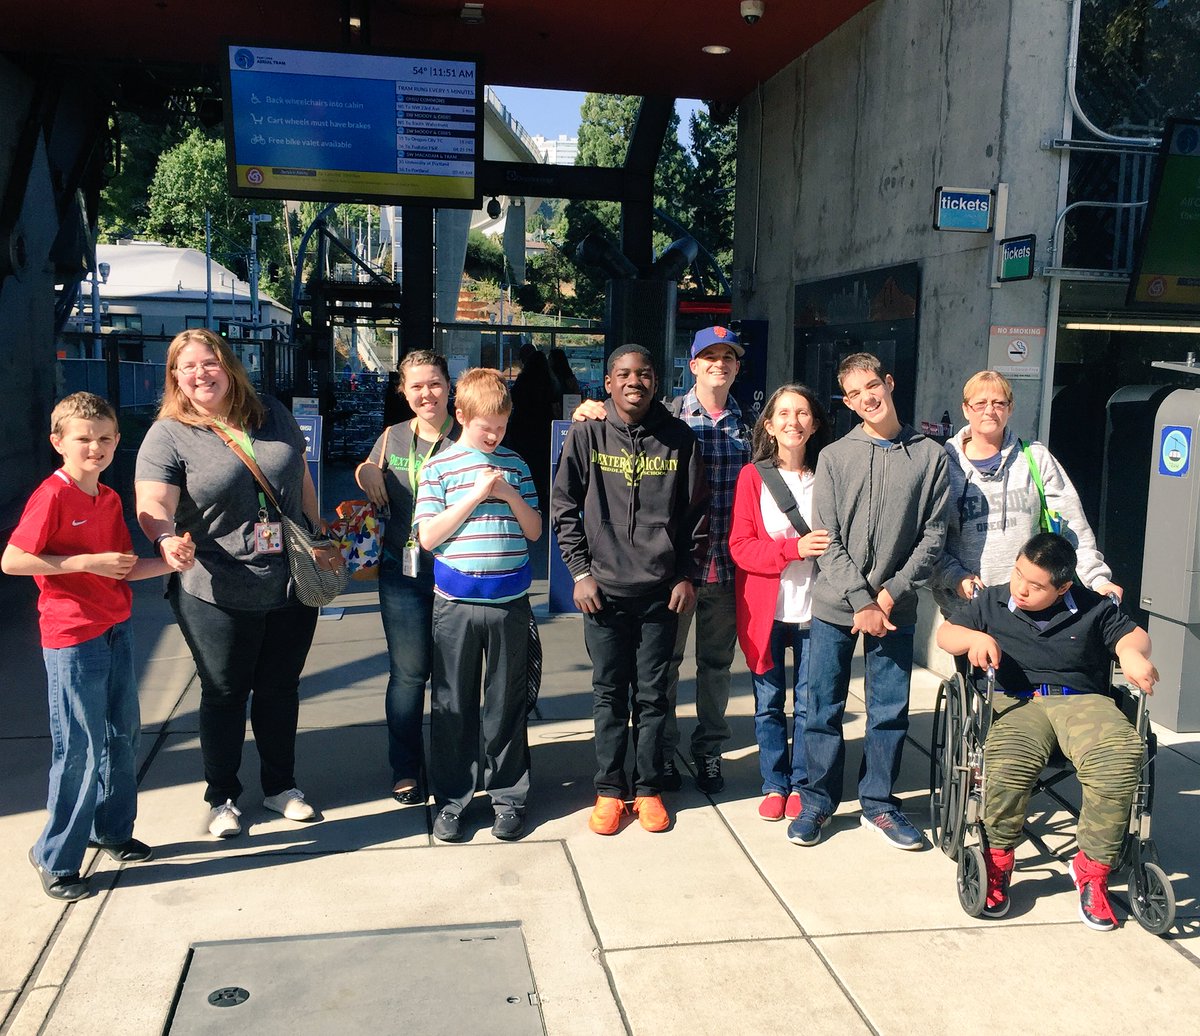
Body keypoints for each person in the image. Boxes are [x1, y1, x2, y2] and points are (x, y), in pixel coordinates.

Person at [135, 329, 341, 839]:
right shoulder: (169, 434)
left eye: (209, 363)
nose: (200, 374)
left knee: (279, 689)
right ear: (175, 377)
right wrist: (165, 539)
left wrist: (317, 537)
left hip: (290, 581)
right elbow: (153, 504)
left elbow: (302, 481)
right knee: (224, 692)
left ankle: (281, 787)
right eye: (187, 367)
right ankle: (222, 795)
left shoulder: (270, 411)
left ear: (229, 366)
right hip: (215, 587)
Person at [4, 393, 182, 900]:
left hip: (116, 627)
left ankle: (112, 829)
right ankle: (56, 855)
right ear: (58, 442)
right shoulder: (53, 495)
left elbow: (123, 565)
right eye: (84, 439)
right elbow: (14, 560)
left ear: (117, 441)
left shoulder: (106, 497)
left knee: (121, 734)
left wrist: (173, 561)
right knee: (79, 746)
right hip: (72, 638)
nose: (95, 448)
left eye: (105, 438)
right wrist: (83, 564)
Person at [936, 532, 1157, 931]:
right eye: (1018, 573)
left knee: (1119, 758)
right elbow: (946, 634)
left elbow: (1135, 635)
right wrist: (975, 636)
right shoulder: (992, 599)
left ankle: (1092, 871)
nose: (1020, 587)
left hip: (1082, 701)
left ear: (1064, 587)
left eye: (1035, 585)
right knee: (1007, 764)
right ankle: (999, 859)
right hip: (1015, 701)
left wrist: (1128, 653)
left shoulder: (1092, 606)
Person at [572, 325, 750, 794]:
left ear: (736, 366)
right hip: (673, 573)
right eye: (709, 356)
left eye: (727, 357)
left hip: (727, 568)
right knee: (662, 670)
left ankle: (708, 752)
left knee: (716, 668)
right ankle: (662, 756)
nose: (719, 364)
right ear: (692, 365)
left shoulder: (754, 425)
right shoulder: (666, 416)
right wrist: (590, 409)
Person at [790, 352, 949, 850]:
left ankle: (879, 803)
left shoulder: (930, 456)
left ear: (890, 381)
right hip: (837, 606)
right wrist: (862, 600)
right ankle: (817, 800)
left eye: (871, 386)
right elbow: (827, 537)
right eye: (854, 394)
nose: (866, 399)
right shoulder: (836, 456)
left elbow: (934, 535)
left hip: (895, 607)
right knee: (823, 706)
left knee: (889, 709)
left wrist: (890, 594)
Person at [552, 344, 710, 835]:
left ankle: (647, 789)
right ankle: (609, 789)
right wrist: (580, 573)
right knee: (608, 693)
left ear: (657, 382)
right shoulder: (587, 434)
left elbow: (697, 515)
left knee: (654, 695)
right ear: (608, 381)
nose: (633, 382)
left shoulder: (679, 438)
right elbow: (564, 507)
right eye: (623, 374)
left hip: (662, 591)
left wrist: (686, 573)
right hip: (602, 590)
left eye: (643, 373)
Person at [412, 368, 542, 844]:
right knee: (453, 703)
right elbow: (428, 536)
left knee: (506, 703)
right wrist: (474, 495)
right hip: (455, 604)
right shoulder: (439, 468)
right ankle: (452, 798)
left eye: (502, 426)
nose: (495, 435)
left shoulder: (517, 465)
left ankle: (508, 795)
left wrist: (506, 492)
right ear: (461, 416)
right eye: (486, 426)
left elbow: (533, 530)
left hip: (509, 602)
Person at [355, 350, 457, 805]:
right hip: (403, 574)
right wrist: (365, 471)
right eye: (416, 386)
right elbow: (367, 466)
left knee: (456, 676)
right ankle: (406, 768)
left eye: (434, 383)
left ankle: (453, 764)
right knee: (409, 675)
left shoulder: (468, 436)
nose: (426, 394)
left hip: (457, 573)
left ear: (449, 385)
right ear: (403, 391)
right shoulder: (393, 437)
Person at [934, 369, 1121, 615]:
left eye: (999, 403)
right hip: (970, 609)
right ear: (966, 409)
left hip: (1031, 606)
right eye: (980, 403)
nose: (990, 410)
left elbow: (1071, 527)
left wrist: (1097, 579)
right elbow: (930, 541)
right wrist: (956, 578)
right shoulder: (943, 465)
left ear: (1010, 408)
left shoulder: (1035, 457)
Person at [729, 385, 831, 823]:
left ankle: (804, 783)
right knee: (769, 703)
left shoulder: (829, 473)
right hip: (765, 611)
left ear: (815, 423)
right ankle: (774, 781)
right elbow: (740, 547)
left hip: (817, 610)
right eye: (784, 413)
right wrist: (793, 549)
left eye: (803, 412)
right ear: (768, 425)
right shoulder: (754, 476)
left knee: (811, 705)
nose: (794, 421)